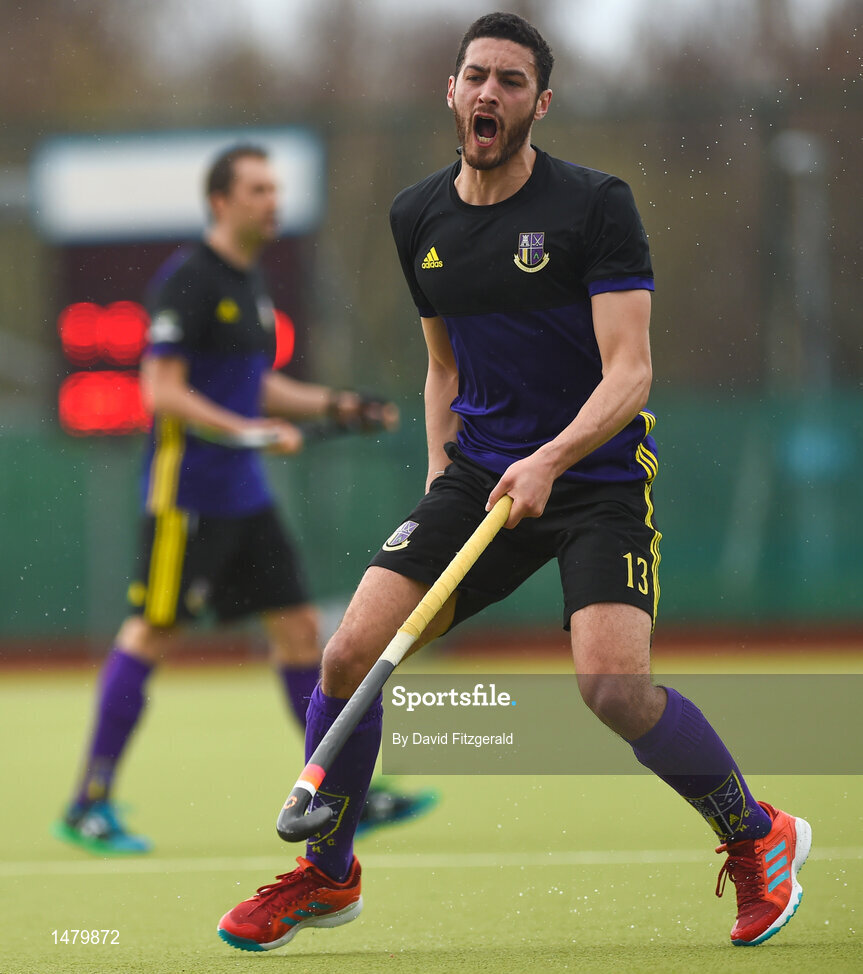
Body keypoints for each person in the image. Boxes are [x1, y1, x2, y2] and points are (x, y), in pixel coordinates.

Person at [217, 13, 811, 952]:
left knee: (611, 688)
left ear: (540, 102)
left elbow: (629, 373)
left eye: (510, 80)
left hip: (596, 480)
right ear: (451, 92)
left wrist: (550, 461)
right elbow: (442, 367)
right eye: (476, 76)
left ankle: (756, 835)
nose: (489, 92)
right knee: (346, 657)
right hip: (480, 481)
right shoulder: (416, 216)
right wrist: (438, 479)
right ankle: (328, 876)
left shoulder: (594, 206)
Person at [54, 144, 436, 855]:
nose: (272, 201)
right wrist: (250, 433)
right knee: (151, 633)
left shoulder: (249, 283)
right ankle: (88, 802)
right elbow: (160, 392)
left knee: (299, 632)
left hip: (245, 498)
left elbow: (255, 384)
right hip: (187, 498)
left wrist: (334, 405)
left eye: (274, 189)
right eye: (258, 189)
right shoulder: (188, 280)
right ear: (220, 201)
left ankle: (338, 789)